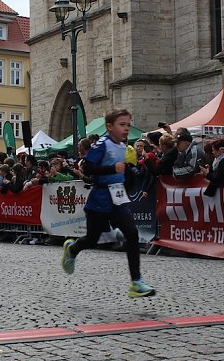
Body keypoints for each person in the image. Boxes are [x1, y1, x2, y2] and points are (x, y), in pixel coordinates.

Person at [60, 108, 155, 297]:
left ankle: (136, 282)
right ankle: (72, 248)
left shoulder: (123, 146)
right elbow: (87, 167)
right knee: (92, 239)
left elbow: (121, 171)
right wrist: (112, 168)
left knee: (132, 233)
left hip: (118, 199)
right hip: (100, 200)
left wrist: (127, 174)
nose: (127, 129)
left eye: (128, 124)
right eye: (122, 125)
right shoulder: (101, 145)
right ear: (109, 127)